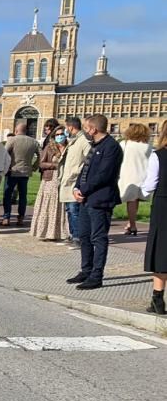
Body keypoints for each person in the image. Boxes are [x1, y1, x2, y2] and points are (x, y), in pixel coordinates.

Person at [67, 114, 124, 290]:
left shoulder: (111, 147)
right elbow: (85, 170)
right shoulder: (94, 146)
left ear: (94, 129)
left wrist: (84, 189)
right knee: (84, 236)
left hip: (100, 199)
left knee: (98, 238)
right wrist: (77, 188)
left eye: (86, 127)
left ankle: (96, 275)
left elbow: (104, 174)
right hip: (86, 199)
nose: (85, 131)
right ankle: (86, 269)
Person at [141, 121, 167, 314]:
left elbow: (150, 184)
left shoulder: (158, 156)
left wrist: (140, 192)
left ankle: (158, 298)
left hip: (163, 204)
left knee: (161, 249)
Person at [58, 116, 92, 250]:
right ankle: (73, 235)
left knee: (74, 210)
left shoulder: (83, 141)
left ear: (71, 127)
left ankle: (78, 237)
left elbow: (88, 160)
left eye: (67, 127)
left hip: (75, 181)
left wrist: (77, 173)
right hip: (68, 180)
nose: (66, 130)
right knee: (69, 210)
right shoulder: (74, 141)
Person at [29, 124, 67, 241]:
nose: (60, 136)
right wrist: (54, 165)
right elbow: (41, 163)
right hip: (51, 179)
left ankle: (60, 232)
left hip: (64, 180)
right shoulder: (50, 147)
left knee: (61, 206)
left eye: (62, 134)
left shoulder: (69, 147)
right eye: (57, 135)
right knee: (48, 205)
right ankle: (45, 231)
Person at [1, 122, 40, 226]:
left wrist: (5, 168)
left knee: (7, 195)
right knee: (23, 196)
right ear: (26, 130)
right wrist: (34, 167)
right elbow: (41, 155)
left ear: (16, 130)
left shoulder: (12, 140)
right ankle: (21, 217)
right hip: (26, 172)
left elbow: (4, 154)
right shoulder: (34, 142)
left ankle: (6, 217)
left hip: (12, 171)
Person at [118, 123, 153, 236]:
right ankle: (130, 223)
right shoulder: (148, 146)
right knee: (135, 200)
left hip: (128, 175)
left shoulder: (125, 144)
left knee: (131, 200)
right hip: (143, 175)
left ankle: (132, 225)